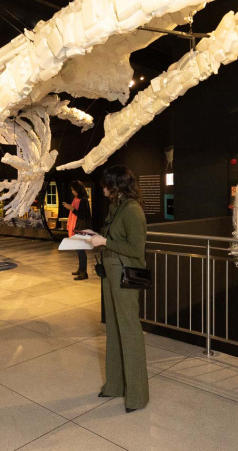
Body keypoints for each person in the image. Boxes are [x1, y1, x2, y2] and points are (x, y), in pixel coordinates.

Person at [86, 165, 149, 413]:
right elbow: (113, 238)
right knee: (113, 330)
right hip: (112, 275)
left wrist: (106, 241)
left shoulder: (133, 211)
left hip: (126, 277)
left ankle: (137, 395)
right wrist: (97, 236)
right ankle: (115, 384)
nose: (102, 188)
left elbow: (136, 250)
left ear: (116, 186)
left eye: (105, 184)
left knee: (130, 333)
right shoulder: (117, 208)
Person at [63, 180, 92, 280]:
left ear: (77, 190)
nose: (72, 192)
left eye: (73, 190)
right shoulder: (77, 199)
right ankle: (81, 269)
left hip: (80, 228)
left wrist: (71, 209)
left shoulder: (83, 200)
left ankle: (84, 273)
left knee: (80, 250)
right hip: (77, 227)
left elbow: (82, 215)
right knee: (79, 250)